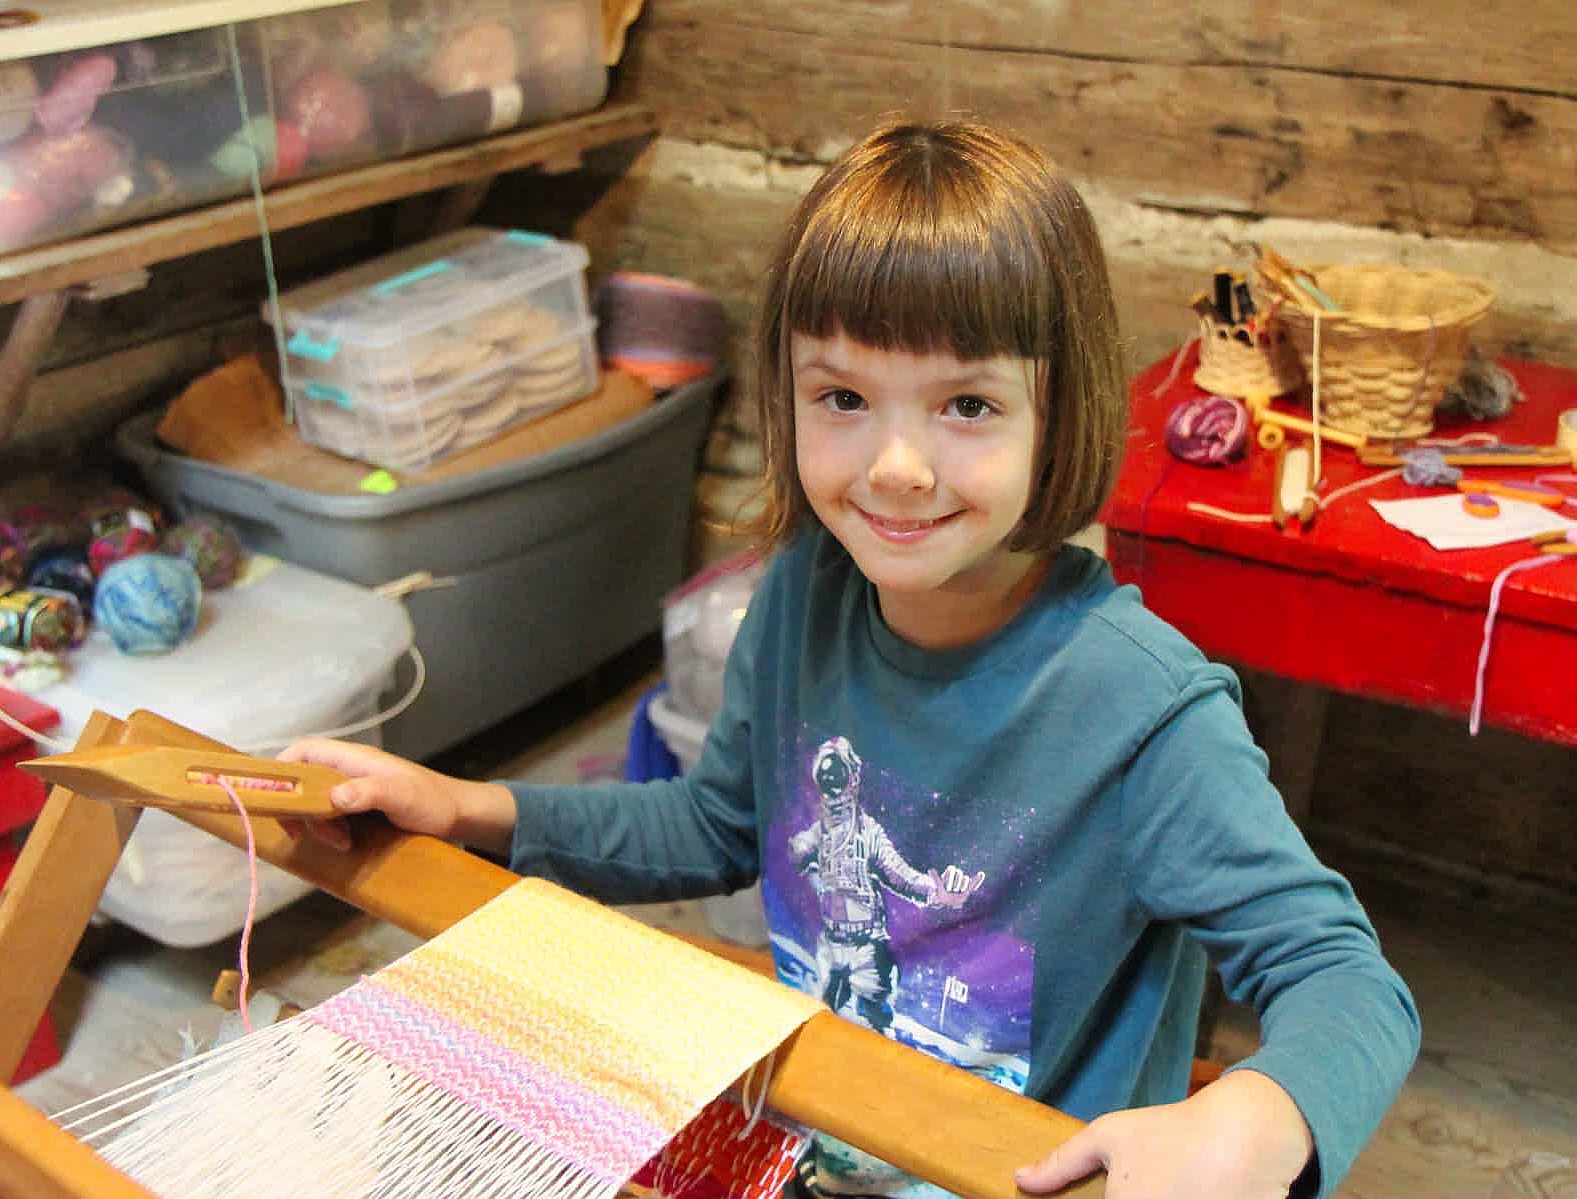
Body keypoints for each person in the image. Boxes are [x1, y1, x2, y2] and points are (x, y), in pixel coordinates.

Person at [281, 117, 1420, 1198]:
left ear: (1059, 413)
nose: (896, 466)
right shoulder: (806, 594)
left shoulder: (1144, 710)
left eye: (968, 403)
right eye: (842, 396)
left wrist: (1261, 1117)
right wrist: (470, 808)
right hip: (817, 1143)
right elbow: (716, 825)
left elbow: (1349, 982)